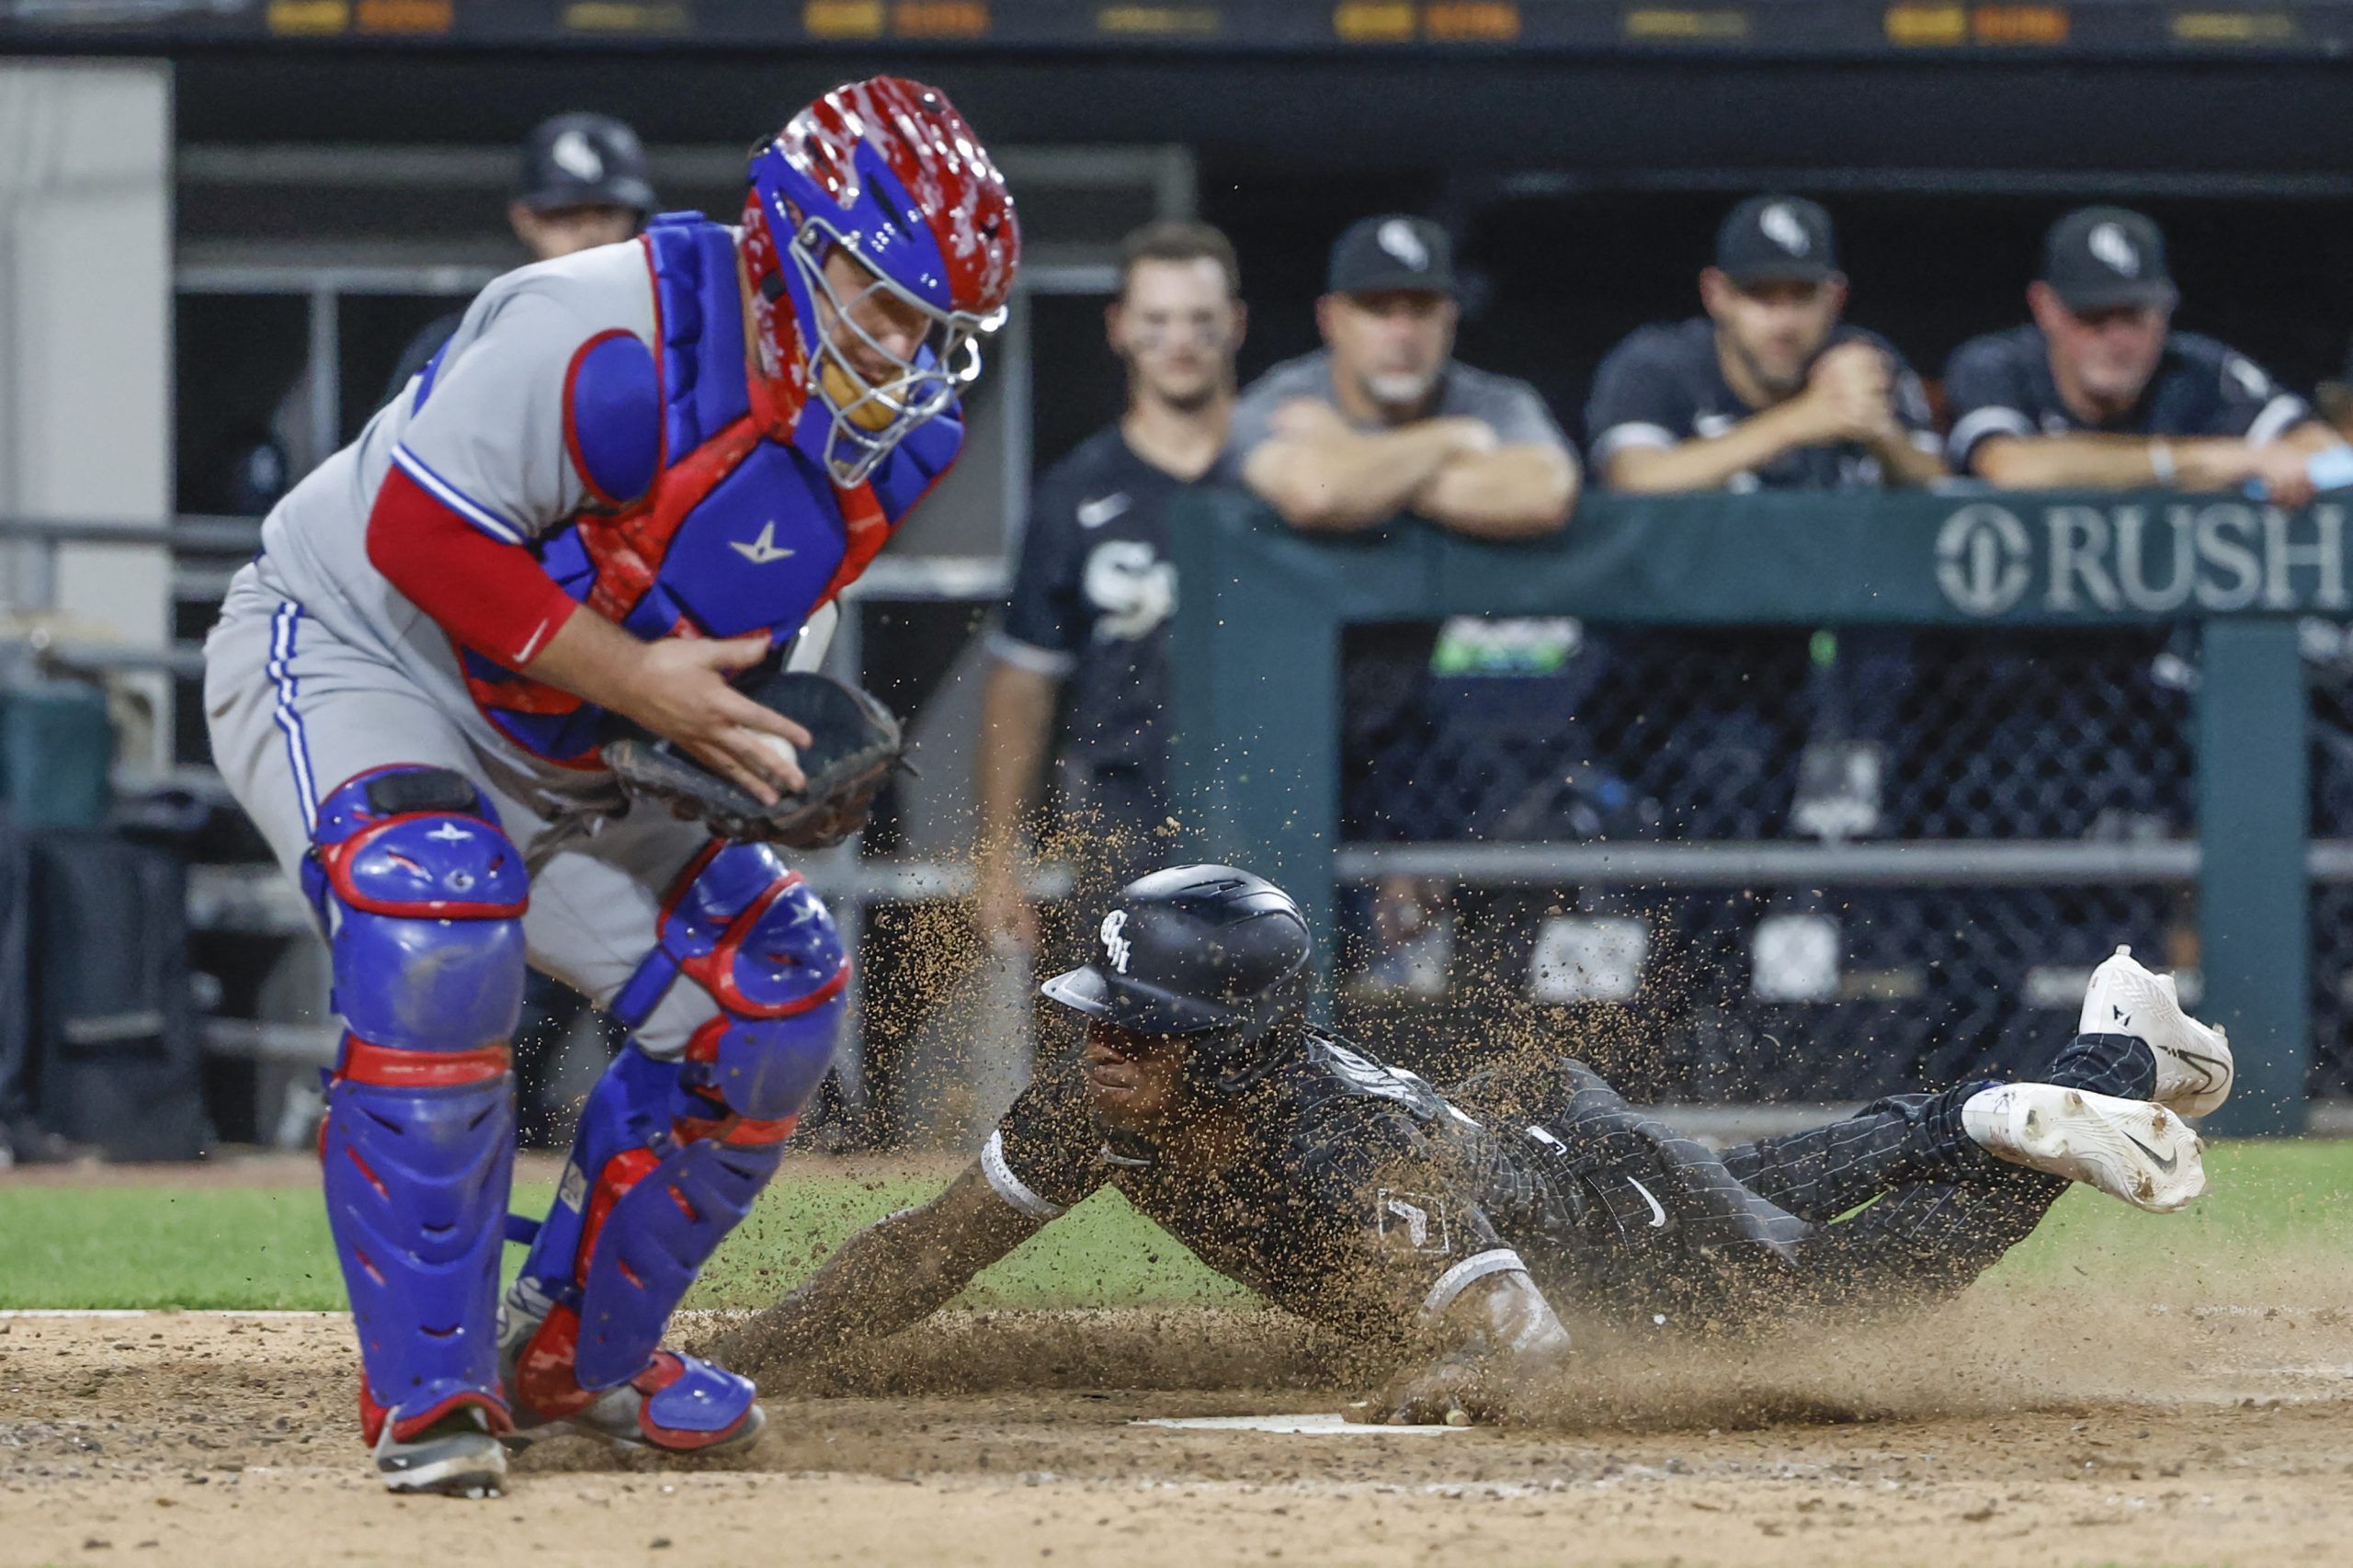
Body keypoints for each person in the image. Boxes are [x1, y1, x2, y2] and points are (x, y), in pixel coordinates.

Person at [200, 76, 1019, 1496]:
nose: (909, 355)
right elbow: (419, 537)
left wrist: (747, 759)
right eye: (887, 305)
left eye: (938, 326)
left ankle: (574, 1358)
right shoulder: (599, 323)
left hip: (569, 727)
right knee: (435, 913)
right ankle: (429, 1394)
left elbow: (731, 638)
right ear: (790, 245)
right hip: (355, 646)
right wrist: (649, 694)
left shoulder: (896, 442)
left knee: (777, 990)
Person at [713, 865, 2227, 1424]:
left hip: (1603, 1226)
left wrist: (1420, 1397)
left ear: (1234, 1038)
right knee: (1744, 1186)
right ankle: (2061, 1072)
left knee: (1830, 1304)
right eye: (1106, 1012)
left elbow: (1530, 1348)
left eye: (1145, 1019)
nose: (1106, 1038)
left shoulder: (1341, 1170)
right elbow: (926, 1249)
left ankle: (2062, 1109)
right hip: (1574, 1154)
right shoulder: (1102, 1101)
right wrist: (757, 1349)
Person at [974, 222, 1247, 955]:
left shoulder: (1290, 482)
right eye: (1156, 321)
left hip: (1280, 804)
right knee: (1124, 1052)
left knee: (1285, 1053)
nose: (1179, 341)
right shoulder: (1075, 493)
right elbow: (1023, 684)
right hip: (1123, 819)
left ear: (1237, 326)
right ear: (1118, 328)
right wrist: (1002, 857)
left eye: (1200, 320)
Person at [1944, 206, 2340, 504]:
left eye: (2133, 316)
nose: (2116, 339)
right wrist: (2196, 461)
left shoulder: (2200, 368)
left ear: (2166, 308)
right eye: (2093, 318)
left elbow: (2322, 452)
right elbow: (2011, 468)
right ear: (2045, 308)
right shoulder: (1997, 365)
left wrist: (2282, 465)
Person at [1232, 213, 1577, 538]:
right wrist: (1452, 439)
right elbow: (1318, 495)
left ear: (1450, 320)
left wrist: (1351, 458)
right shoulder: (1286, 397)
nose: (1403, 334)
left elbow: (1543, 497)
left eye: (1421, 310)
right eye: (1378, 310)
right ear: (1330, 320)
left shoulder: (1499, 401)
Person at [1585, 195, 1942, 493]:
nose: (1784, 323)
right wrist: (1800, 421)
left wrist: (1881, 432)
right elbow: (1633, 481)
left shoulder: (1865, 361)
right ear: (1716, 295)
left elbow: (1943, 494)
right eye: (1761, 296)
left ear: (1836, 298)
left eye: (1802, 297)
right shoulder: (1658, 363)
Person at [379, 112, 659, 407]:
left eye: (606, 212)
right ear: (524, 219)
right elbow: (391, 449)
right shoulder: (460, 343)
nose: (591, 232)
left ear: (634, 219)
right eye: (565, 214)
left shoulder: (675, 339)